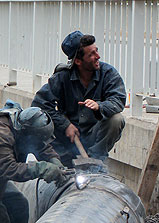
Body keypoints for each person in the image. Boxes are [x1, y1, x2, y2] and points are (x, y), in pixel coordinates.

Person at [32, 31, 126, 167]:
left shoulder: (108, 73)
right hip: (67, 139)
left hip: (94, 134)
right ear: (78, 61)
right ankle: (60, 163)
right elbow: (39, 104)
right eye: (91, 54)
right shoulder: (62, 77)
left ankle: (95, 161)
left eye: (96, 51)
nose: (98, 57)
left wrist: (99, 106)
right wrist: (65, 125)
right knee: (39, 121)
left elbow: (118, 100)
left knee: (116, 119)